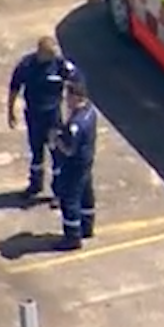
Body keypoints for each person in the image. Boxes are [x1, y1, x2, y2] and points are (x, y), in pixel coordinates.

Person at [7, 36, 82, 198]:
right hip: (34, 115)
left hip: (53, 116)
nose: (54, 56)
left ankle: (59, 191)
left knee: (57, 153)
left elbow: (77, 83)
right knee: (36, 151)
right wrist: (10, 111)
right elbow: (14, 87)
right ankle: (35, 185)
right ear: (41, 52)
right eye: (50, 53)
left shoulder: (60, 65)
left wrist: (75, 111)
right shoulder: (26, 65)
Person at [51, 81, 97, 250]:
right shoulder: (90, 111)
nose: (66, 101)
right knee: (86, 194)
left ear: (76, 97)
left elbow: (69, 150)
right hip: (87, 160)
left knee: (69, 198)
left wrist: (56, 140)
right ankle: (87, 226)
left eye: (68, 97)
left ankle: (72, 236)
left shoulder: (76, 124)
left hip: (74, 165)